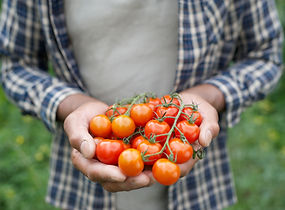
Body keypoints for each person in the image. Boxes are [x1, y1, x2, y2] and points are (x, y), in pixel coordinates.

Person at [0, 0, 283, 209]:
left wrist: (207, 96)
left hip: (198, 188)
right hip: (81, 187)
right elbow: (13, 63)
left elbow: (266, 54)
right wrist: (72, 105)